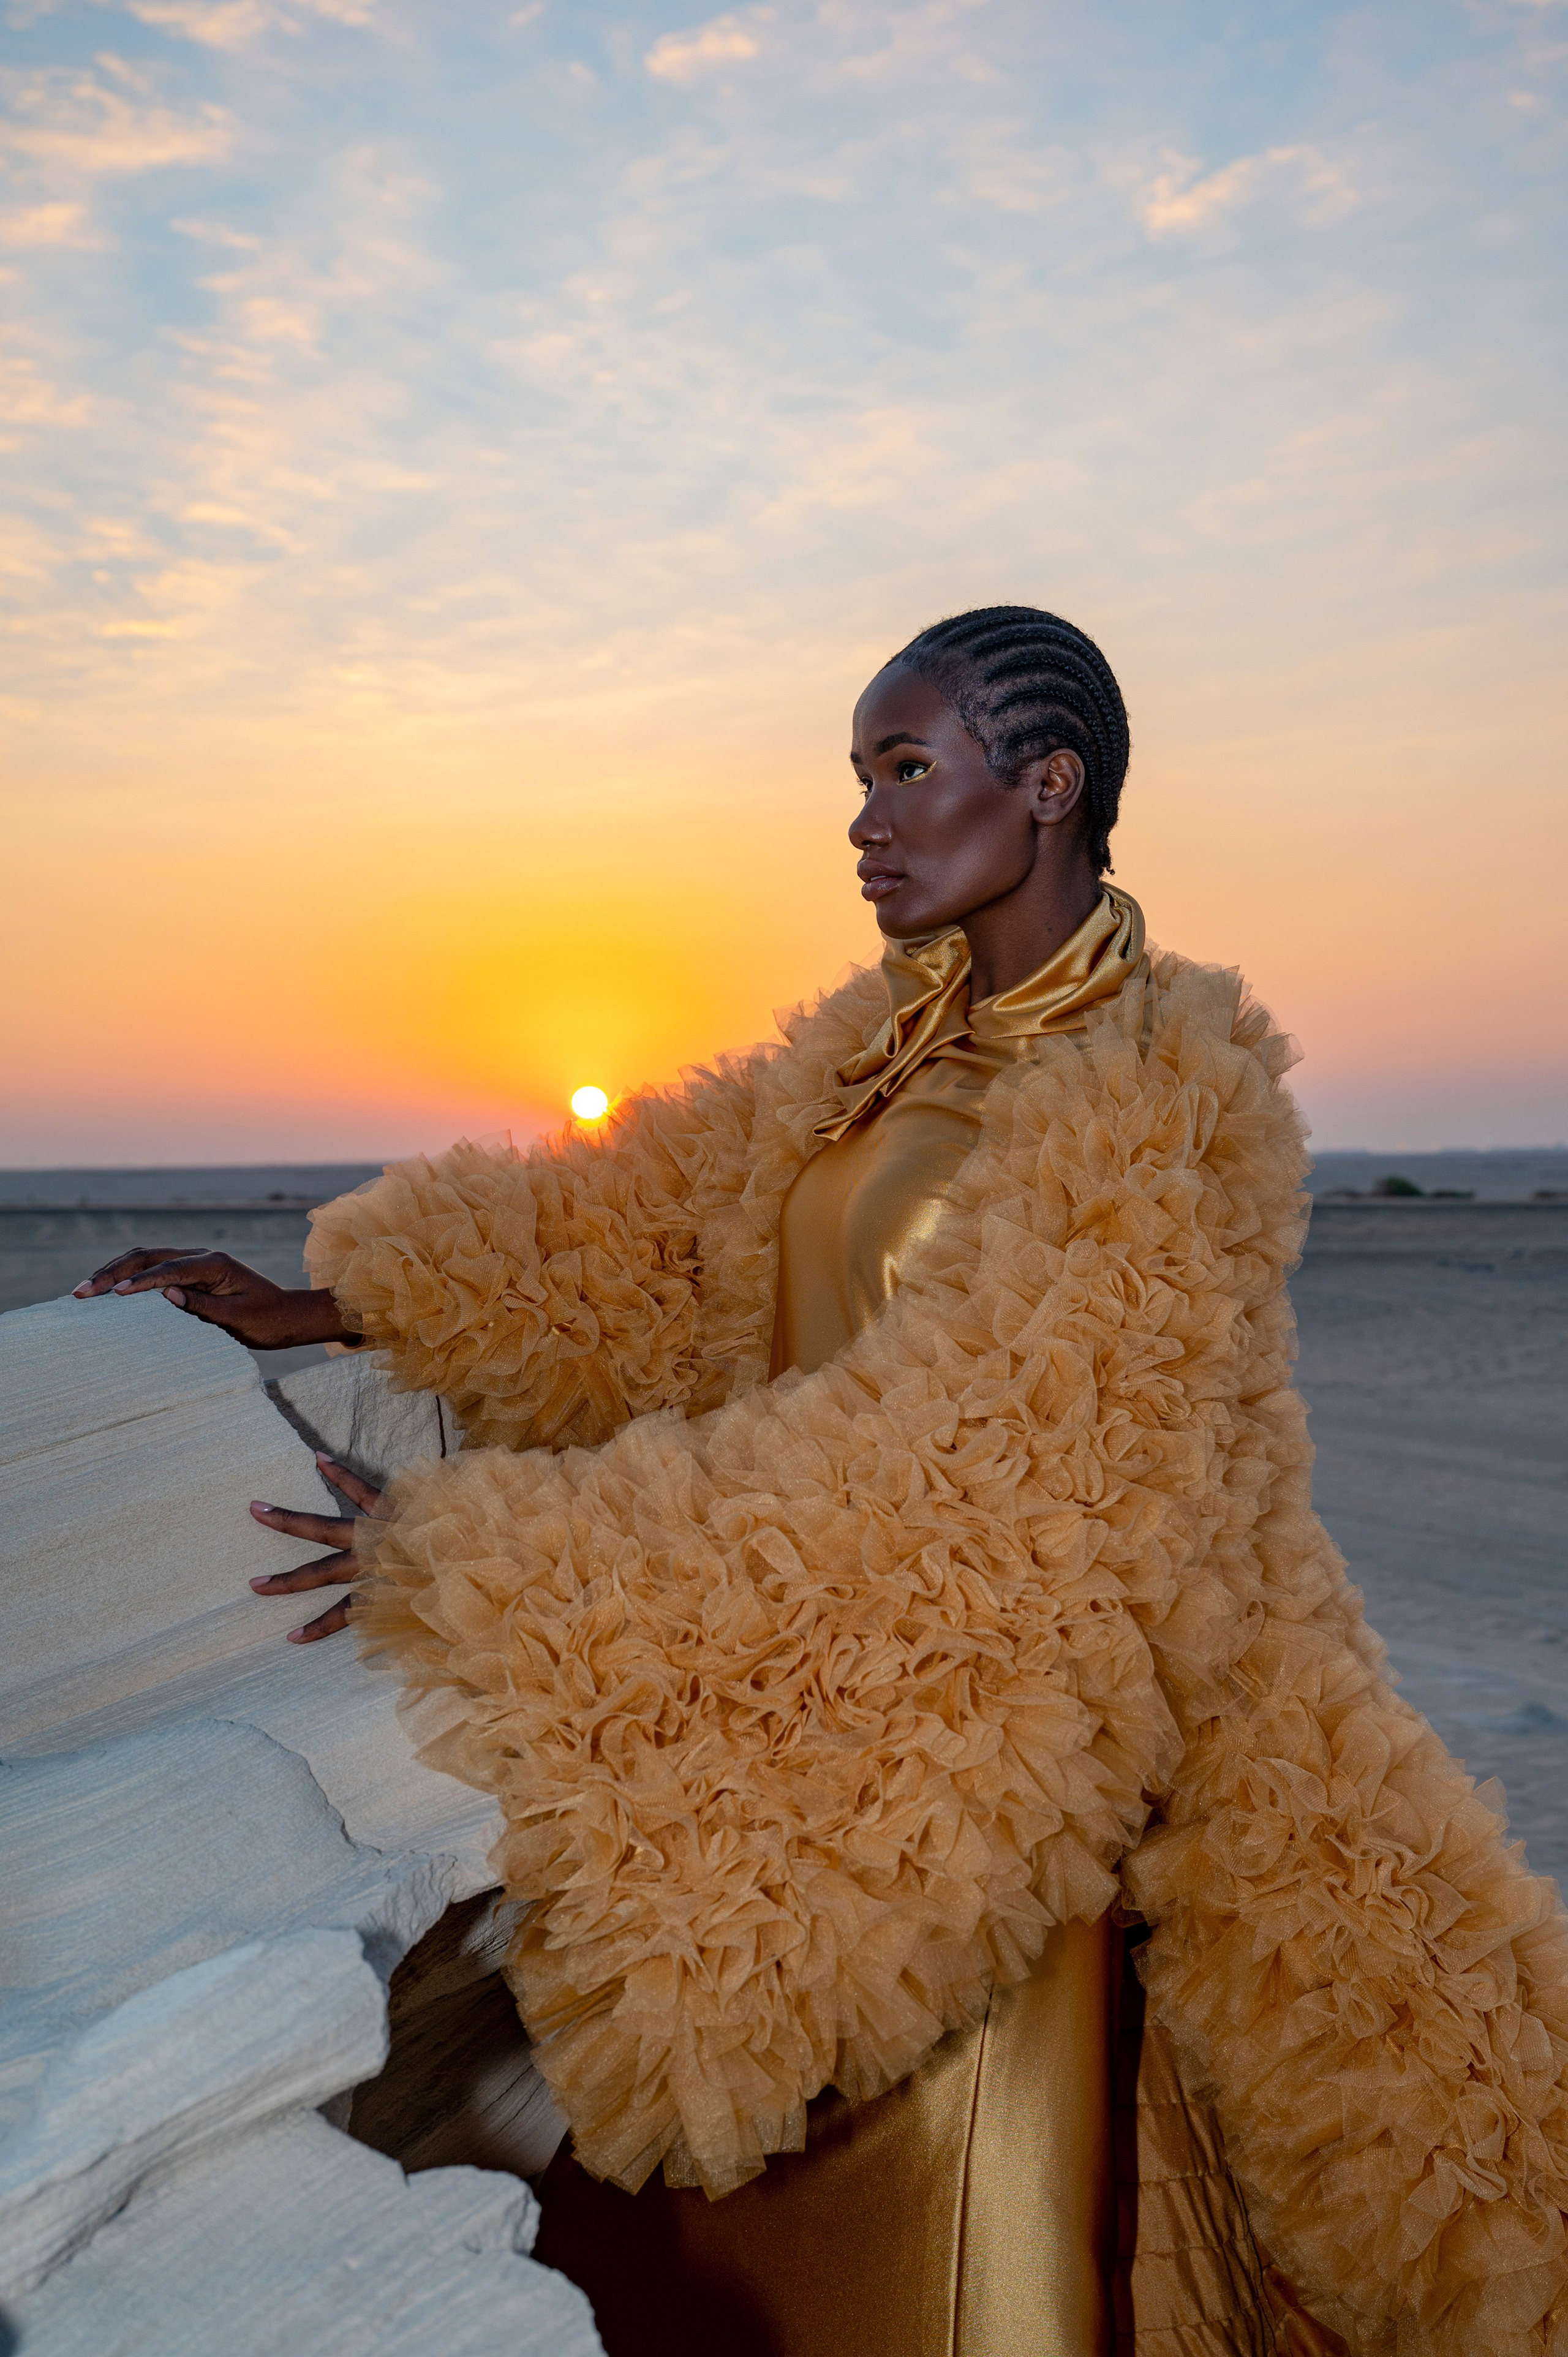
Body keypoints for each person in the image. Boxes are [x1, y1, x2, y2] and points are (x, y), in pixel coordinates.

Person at [77, 608, 1568, 2357]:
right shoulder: (882, 1045)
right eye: (857, 779)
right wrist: (328, 1299)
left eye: (906, 770)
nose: (864, 822)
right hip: (787, 1749)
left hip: (986, 1794)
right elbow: (639, 1239)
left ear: (1050, 785)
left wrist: (512, 1561)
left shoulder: (1158, 1100)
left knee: (949, 2280)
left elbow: (983, 1477)